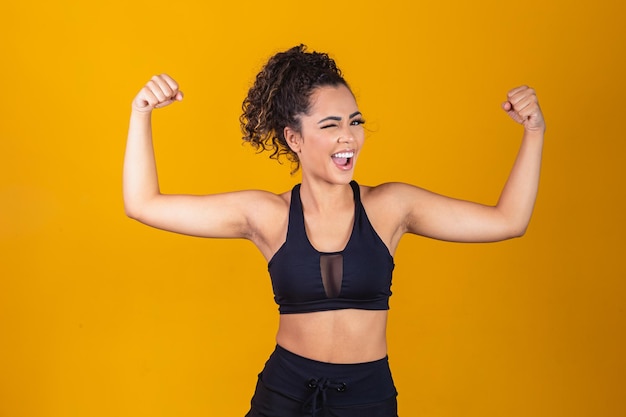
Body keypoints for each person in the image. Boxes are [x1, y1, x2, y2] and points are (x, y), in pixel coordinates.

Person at [123, 44, 545, 417]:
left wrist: (534, 132)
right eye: (330, 125)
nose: (349, 138)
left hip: (368, 401)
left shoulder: (391, 207)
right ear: (295, 138)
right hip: (284, 398)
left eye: (355, 122)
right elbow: (143, 204)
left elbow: (508, 221)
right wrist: (141, 113)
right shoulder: (266, 215)